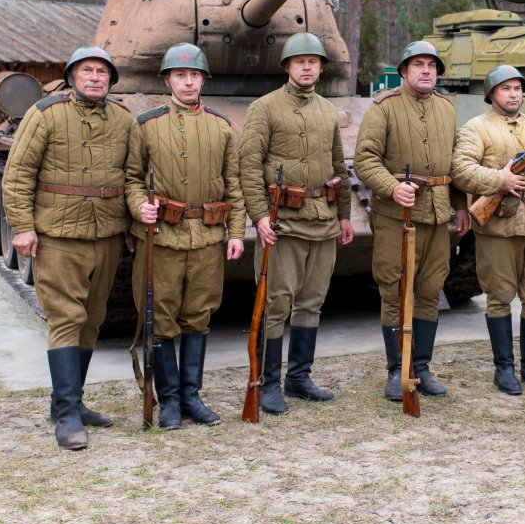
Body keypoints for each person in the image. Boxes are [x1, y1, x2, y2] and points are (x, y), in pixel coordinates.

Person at [2, 46, 134, 450]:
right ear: (72, 76)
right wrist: (22, 227)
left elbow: (133, 175)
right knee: (66, 318)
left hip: (106, 234)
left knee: (92, 319)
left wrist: (130, 224)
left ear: (111, 80)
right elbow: (18, 173)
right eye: (87, 70)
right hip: (58, 235)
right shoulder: (45, 114)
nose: (95, 78)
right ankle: (66, 415)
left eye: (102, 72)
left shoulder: (123, 120)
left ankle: (71, 401)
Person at [125, 43, 246, 429]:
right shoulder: (146, 125)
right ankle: (170, 401)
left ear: (204, 80)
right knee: (160, 319)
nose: (188, 82)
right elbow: (131, 178)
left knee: (199, 317)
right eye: (181, 75)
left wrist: (236, 233)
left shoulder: (221, 126)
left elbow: (234, 184)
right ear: (167, 80)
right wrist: (138, 206)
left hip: (207, 236)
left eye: (195, 75)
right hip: (162, 236)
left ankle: (192, 396)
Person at [238, 32, 353, 415]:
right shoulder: (264, 108)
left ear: (321, 67)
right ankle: (267, 383)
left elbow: (338, 167)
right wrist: (258, 216)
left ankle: (299, 378)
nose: (307, 67)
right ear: (287, 66)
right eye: (300, 61)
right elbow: (248, 166)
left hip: (322, 220)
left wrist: (345, 215)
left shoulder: (327, 110)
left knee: (312, 302)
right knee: (276, 303)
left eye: (313, 61)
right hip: (282, 222)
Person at [354, 41, 470, 402]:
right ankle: (397, 369)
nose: (426, 71)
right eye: (418, 64)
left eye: (431, 66)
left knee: (432, 289)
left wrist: (460, 205)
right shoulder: (383, 107)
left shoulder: (446, 108)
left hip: (437, 216)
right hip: (396, 216)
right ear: (403, 71)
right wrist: (392, 187)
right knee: (394, 289)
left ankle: (421, 367)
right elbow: (365, 160)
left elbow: (453, 163)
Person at [451, 65, 525, 395]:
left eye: (517, 88)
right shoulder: (476, 128)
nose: (514, 94)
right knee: (499, 296)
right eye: (506, 88)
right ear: (492, 94)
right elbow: (461, 170)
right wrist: (498, 180)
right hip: (499, 224)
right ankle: (504, 369)